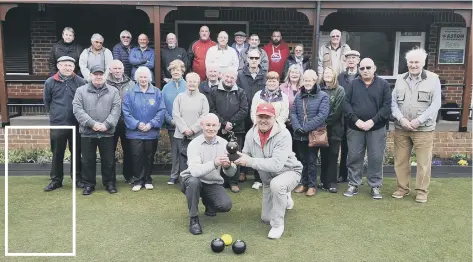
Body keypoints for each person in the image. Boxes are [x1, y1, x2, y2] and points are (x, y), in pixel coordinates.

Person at [235, 103, 302, 239]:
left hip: (289, 172)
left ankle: (278, 225)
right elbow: (245, 154)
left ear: (274, 118)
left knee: (278, 185)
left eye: (267, 117)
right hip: (267, 179)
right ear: (255, 117)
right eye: (261, 116)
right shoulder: (251, 134)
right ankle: (286, 197)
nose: (263, 120)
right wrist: (232, 159)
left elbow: (277, 165)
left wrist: (250, 161)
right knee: (266, 218)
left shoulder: (283, 134)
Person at [391, 48, 441, 203]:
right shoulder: (400, 79)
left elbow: (435, 104)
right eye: (411, 62)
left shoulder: (433, 79)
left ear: (423, 63)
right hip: (401, 128)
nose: (413, 65)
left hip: (423, 130)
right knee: (400, 160)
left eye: (416, 62)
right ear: (407, 63)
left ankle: (421, 191)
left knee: (423, 162)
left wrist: (419, 120)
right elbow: (393, 103)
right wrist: (401, 119)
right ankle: (402, 188)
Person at [180, 113, 236, 235]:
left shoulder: (224, 143)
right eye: (208, 125)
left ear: (219, 126)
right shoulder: (194, 144)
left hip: (212, 182)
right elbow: (194, 172)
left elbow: (231, 173)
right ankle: (194, 219)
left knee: (225, 205)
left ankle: (208, 202)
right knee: (194, 182)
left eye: (214, 125)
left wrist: (228, 166)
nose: (211, 128)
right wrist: (215, 163)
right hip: (191, 180)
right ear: (202, 125)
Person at [343, 58, 392, 199]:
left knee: (376, 157)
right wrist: (356, 120)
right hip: (355, 127)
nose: (365, 71)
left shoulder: (383, 85)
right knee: (354, 157)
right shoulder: (353, 84)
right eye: (362, 68)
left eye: (368, 67)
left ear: (374, 68)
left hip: (376, 128)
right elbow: (346, 103)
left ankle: (375, 185)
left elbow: (387, 106)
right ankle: (353, 183)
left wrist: (373, 121)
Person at [72, 65, 121, 195]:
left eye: (101, 74)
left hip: (107, 132)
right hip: (88, 132)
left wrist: (106, 124)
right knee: (87, 160)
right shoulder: (80, 91)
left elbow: (116, 110)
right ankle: (89, 184)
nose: (98, 77)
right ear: (91, 76)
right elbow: (77, 109)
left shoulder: (113, 91)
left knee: (109, 160)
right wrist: (92, 124)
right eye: (95, 74)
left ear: (105, 76)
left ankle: (109, 183)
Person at [43, 56, 86, 192]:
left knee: (77, 152)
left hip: (76, 123)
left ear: (74, 67)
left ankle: (77, 178)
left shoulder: (80, 81)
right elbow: (47, 102)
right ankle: (56, 180)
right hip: (58, 123)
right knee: (57, 152)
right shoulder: (50, 82)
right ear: (58, 66)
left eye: (70, 65)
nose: (67, 68)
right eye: (64, 65)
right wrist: (57, 114)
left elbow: (84, 101)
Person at [122, 66, 166, 192]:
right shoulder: (130, 93)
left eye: (145, 77)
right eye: (140, 77)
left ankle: (147, 179)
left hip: (151, 132)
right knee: (136, 156)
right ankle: (138, 180)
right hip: (135, 132)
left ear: (149, 78)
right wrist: (137, 124)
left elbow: (161, 110)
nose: (143, 79)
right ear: (137, 78)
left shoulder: (157, 92)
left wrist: (151, 124)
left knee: (149, 156)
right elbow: (126, 111)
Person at [209, 68, 249, 193]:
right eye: (227, 76)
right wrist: (224, 124)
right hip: (219, 130)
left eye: (232, 78)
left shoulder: (241, 92)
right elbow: (212, 109)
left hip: (237, 130)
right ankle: (220, 181)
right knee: (220, 154)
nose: (229, 79)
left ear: (235, 80)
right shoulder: (214, 91)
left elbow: (244, 110)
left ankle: (233, 182)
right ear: (222, 76)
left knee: (235, 155)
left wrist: (232, 123)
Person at [291, 69, 330, 197]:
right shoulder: (298, 95)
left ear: (315, 81)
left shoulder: (323, 96)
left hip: (313, 134)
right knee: (302, 160)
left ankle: (312, 185)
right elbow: (293, 113)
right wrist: (297, 127)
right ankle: (304, 183)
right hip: (299, 135)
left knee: (312, 160)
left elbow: (322, 115)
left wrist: (306, 127)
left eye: (310, 80)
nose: (307, 82)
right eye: (305, 80)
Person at [248, 71, 289, 190]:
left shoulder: (283, 96)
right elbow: (253, 112)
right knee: (259, 154)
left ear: (278, 82)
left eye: (274, 80)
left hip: (277, 131)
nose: (271, 83)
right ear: (266, 81)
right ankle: (258, 179)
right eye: (269, 80)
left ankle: (274, 178)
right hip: (259, 128)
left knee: (273, 154)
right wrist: (259, 125)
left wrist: (274, 127)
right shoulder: (258, 95)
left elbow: (284, 114)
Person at [236, 49, 266, 184]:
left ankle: (257, 174)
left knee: (259, 144)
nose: (254, 60)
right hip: (244, 114)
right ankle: (242, 171)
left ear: (260, 59)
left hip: (259, 115)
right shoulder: (240, 75)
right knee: (244, 145)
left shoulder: (264, 75)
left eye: (256, 58)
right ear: (247, 59)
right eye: (251, 58)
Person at [172, 72, 210, 173]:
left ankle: (196, 180)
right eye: (190, 81)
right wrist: (184, 129)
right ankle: (183, 180)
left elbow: (204, 115)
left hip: (197, 135)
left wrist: (193, 129)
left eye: (194, 81)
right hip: (181, 135)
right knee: (182, 159)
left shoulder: (203, 98)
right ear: (186, 82)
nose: (192, 84)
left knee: (196, 158)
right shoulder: (180, 97)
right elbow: (176, 114)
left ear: (198, 83)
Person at [107, 60, 136, 184]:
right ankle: (110, 178)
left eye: (120, 68)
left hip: (127, 121)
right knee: (109, 151)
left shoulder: (131, 83)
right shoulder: (104, 83)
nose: (118, 71)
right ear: (110, 70)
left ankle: (128, 176)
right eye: (115, 69)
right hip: (110, 122)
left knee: (128, 150)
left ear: (123, 69)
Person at [317, 67, 345, 193]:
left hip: (334, 129)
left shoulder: (340, 90)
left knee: (333, 155)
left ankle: (332, 182)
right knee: (323, 155)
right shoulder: (318, 89)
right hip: (321, 129)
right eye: (325, 73)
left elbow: (338, 111)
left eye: (329, 73)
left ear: (334, 75)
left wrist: (324, 121)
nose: (327, 75)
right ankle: (323, 181)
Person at [162, 59, 187, 185]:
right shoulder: (166, 88)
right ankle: (174, 175)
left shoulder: (188, 86)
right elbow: (163, 107)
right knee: (175, 150)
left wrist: (183, 123)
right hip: (172, 125)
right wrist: (170, 121)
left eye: (178, 69)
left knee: (185, 150)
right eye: (173, 70)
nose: (176, 72)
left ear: (182, 71)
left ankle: (185, 175)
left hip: (186, 126)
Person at [337, 50, 361, 183]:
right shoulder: (340, 77)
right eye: (348, 58)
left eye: (354, 58)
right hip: (342, 117)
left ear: (358, 60)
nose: (351, 60)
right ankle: (342, 174)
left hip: (357, 117)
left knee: (356, 149)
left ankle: (355, 176)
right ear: (345, 61)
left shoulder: (362, 75)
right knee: (344, 147)